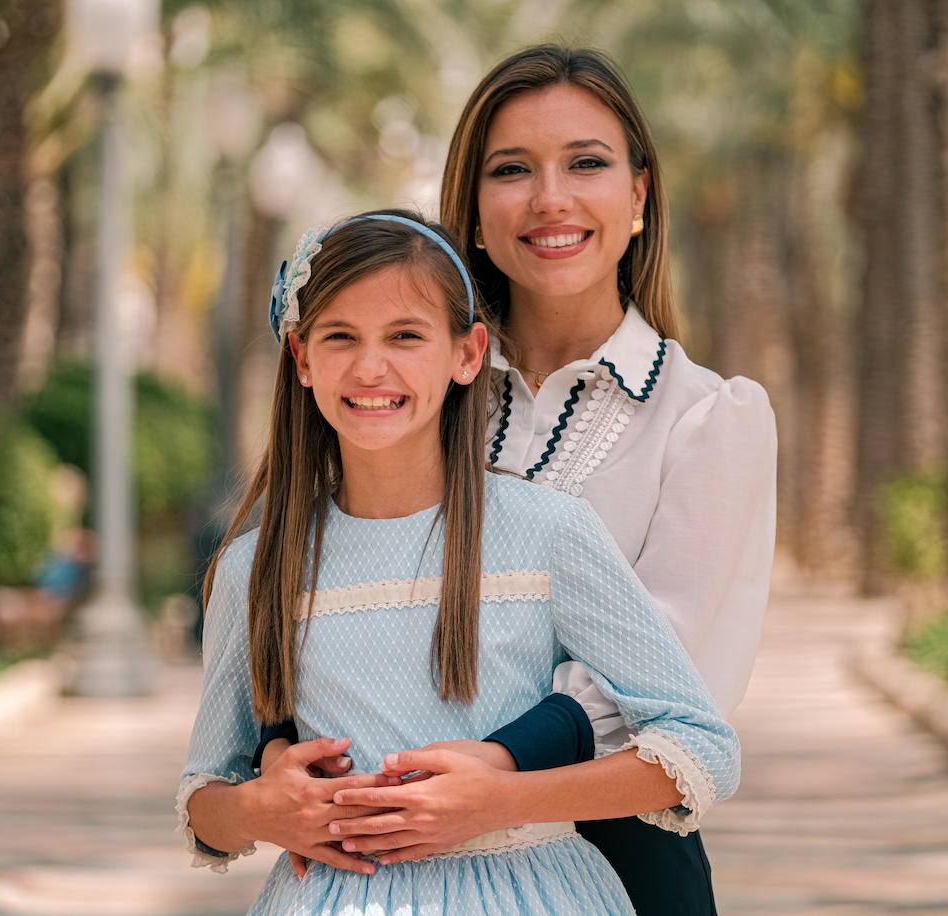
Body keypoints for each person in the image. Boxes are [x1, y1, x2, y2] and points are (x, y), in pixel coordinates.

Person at [257, 46, 777, 915]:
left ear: (640, 195)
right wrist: (281, 752)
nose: (550, 199)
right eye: (512, 170)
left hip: (614, 859)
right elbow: (321, 575)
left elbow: (676, 676)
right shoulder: (412, 383)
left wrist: (493, 772)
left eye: (587, 163)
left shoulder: (707, 419)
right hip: (377, 865)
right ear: (472, 209)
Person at [177, 210, 740, 915]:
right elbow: (204, 798)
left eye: (405, 336)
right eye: (340, 337)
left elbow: (700, 746)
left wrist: (504, 799)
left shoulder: (548, 532)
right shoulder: (255, 569)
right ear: (301, 358)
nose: (370, 366)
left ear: (468, 353)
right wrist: (263, 809)